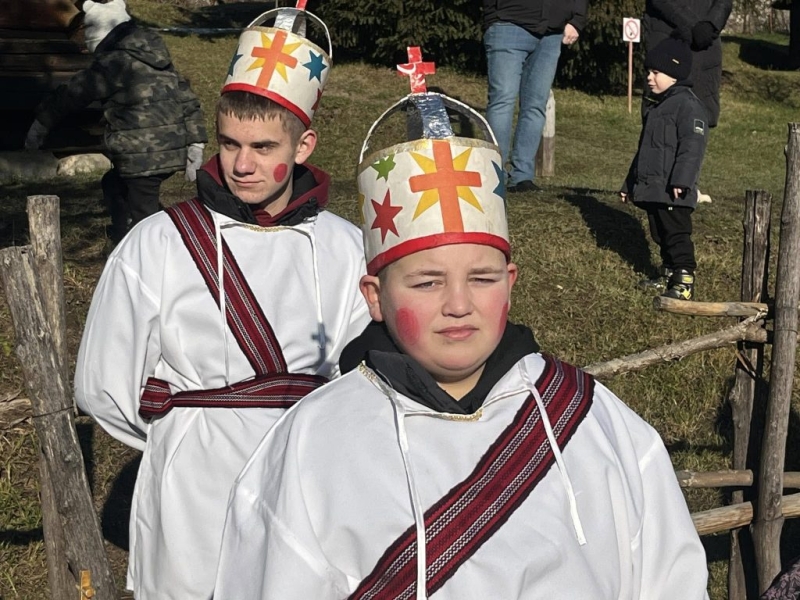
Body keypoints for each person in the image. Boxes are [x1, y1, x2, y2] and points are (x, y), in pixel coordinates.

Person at [213, 49, 710, 599]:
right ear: (374, 297)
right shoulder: (312, 443)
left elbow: (670, 578)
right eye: (425, 282)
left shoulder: (598, 424)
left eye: (482, 278)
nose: (458, 304)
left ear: (512, 280)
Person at [74, 5, 370, 599]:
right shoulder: (156, 242)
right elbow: (102, 386)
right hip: (193, 489)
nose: (241, 164)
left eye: (263, 147)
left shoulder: (346, 248)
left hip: (307, 478)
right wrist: (184, 432)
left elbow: (361, 378)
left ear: (304, 143)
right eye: (230, 143)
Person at [24, 0, 208, 244]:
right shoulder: (156, 57)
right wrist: (196, 142)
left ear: (99, 35)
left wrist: (41, 124)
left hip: (142, 154)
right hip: (168, 150)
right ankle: (126, 236)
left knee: (145, 213)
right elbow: (187, 97)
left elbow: (73, 94)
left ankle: (152, 254)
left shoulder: (112, 64)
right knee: (114, 185)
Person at [622, 36, 708, 301]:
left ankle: (684, 280)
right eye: (648, 71)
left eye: (656, 72)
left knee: (676, 235)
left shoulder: (688, 106)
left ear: (675, 74)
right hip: (655, 190)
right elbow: (645, 152)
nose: (649, 77)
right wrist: (629, 185)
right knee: (660, 234)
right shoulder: (656, 107)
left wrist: (682, 180)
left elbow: (692, 148)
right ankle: (668, 274)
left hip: (674, 190)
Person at [483, 0, 586, 193]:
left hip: (551, 31)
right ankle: (495, 174)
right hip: (508, 22)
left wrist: (577, 19)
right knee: (502, 101)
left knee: (536, 105)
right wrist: (494, 14)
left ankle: (522, 176)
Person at [644, 0, 732, 204]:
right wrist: (693, 25)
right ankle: (654, 182)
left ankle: (689, 184)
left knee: (696, 117)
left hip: (705, 43)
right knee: (661, 114)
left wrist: (711, 25)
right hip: (668, 33)